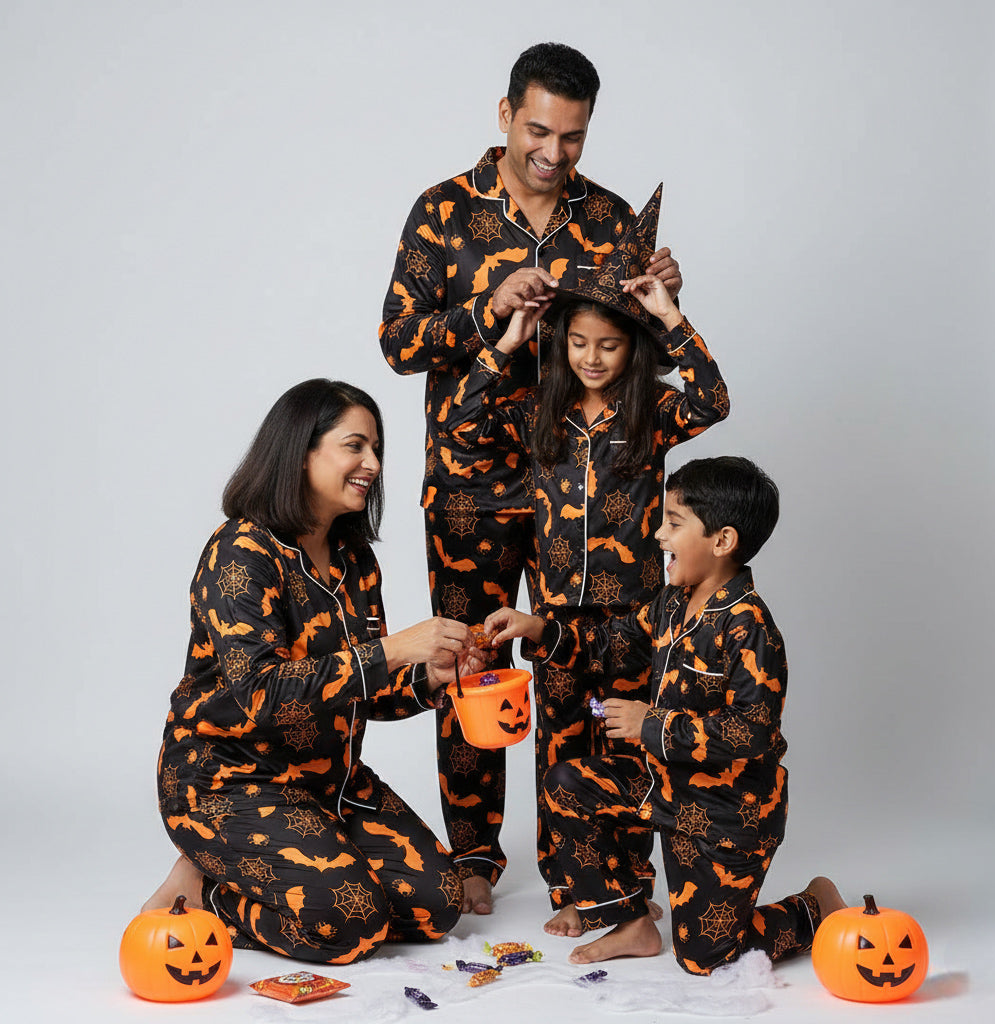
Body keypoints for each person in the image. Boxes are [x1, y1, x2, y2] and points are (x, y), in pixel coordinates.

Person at [380, 41, 682, 915]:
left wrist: (663, 297)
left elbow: (640, 354)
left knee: (572, 672)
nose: (555, 152)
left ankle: (576, 865)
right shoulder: (441, 211)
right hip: (471, 482)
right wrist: (488, 308)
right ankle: (473, 854)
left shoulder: (615, 217)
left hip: (586, 495)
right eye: (541, 130)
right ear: (505, 113)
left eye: (575, 137)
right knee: (470, 662)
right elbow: (400, 343)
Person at [437, 186, 729, 930]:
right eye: (578, 344)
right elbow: (458, 427)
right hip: (559, 618)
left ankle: (630, 893)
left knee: (625, 742)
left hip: (636, 617)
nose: (593, 357)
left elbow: (713, 397)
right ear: (560, 344)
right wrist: (507, 340)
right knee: (561, 753)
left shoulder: (651, 417)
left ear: (631, 351)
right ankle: (577, 893)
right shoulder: (540, 416)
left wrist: (667, 312)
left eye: (609, 344)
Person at [143, 379, 482, 964]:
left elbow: (363, 691)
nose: (372, 464)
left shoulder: (355, 558)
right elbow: (260, 694)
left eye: (377, 449)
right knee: (351, 927)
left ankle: (290, 860)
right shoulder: (241, 552)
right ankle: (208, 892)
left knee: (438, 906)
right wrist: (395, 649)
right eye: (355, 446)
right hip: (228, 780)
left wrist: (431, 675)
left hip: (328, 783)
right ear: (302, 450)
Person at [485, 457, 845, 972]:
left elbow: (752, 730)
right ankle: (630, 922)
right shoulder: (671, 602)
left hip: (728, 812)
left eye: (674, 523)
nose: (658, 534)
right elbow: (611, 646)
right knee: (566, 781)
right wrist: (537, 627)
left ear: (722, 541)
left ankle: (814, 908)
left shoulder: (750, 628)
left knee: (704, 958)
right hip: (664, 787)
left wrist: (649, 724)